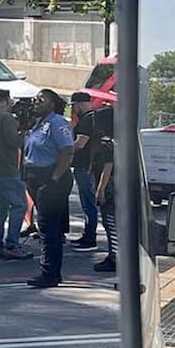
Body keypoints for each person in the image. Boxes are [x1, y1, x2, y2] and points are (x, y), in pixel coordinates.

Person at [22, 89, 76, 289]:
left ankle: (49, 273)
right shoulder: (38, 124)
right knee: (47, 227)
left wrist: (53, 178)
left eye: (40, 100)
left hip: (51, 179)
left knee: (48, 229)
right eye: (35, 99)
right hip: (35, 177)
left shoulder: (57, 123)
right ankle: (52, 272)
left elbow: (67, 151)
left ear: (52, 104)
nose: (36, 102)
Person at [0, 89, 32, 260]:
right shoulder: (6, 118)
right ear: (4, 101)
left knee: (0, 208)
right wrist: (23, 135)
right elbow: (13, 142)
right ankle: (12, 243)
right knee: (19, 205)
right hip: (5, 168)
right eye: (9, 100)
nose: (11, 104)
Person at [70, 92, 103, 253]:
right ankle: (88, 235)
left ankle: (90, 238)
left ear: (80, 104)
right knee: (88, 203)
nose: (74, 109)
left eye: (75, 106)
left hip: (85, 167)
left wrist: (62, 150)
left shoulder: (86, 120)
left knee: (88, 203)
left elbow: (80, 144)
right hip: (91, 166)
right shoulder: (94, 118)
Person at [91, 103, 118, 273]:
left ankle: (115, 257)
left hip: (110, 187)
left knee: (111, 223)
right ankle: (113, 255)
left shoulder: (108, 141)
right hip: (118, 186)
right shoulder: (120, 138)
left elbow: (108, 166)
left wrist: (100, 189)